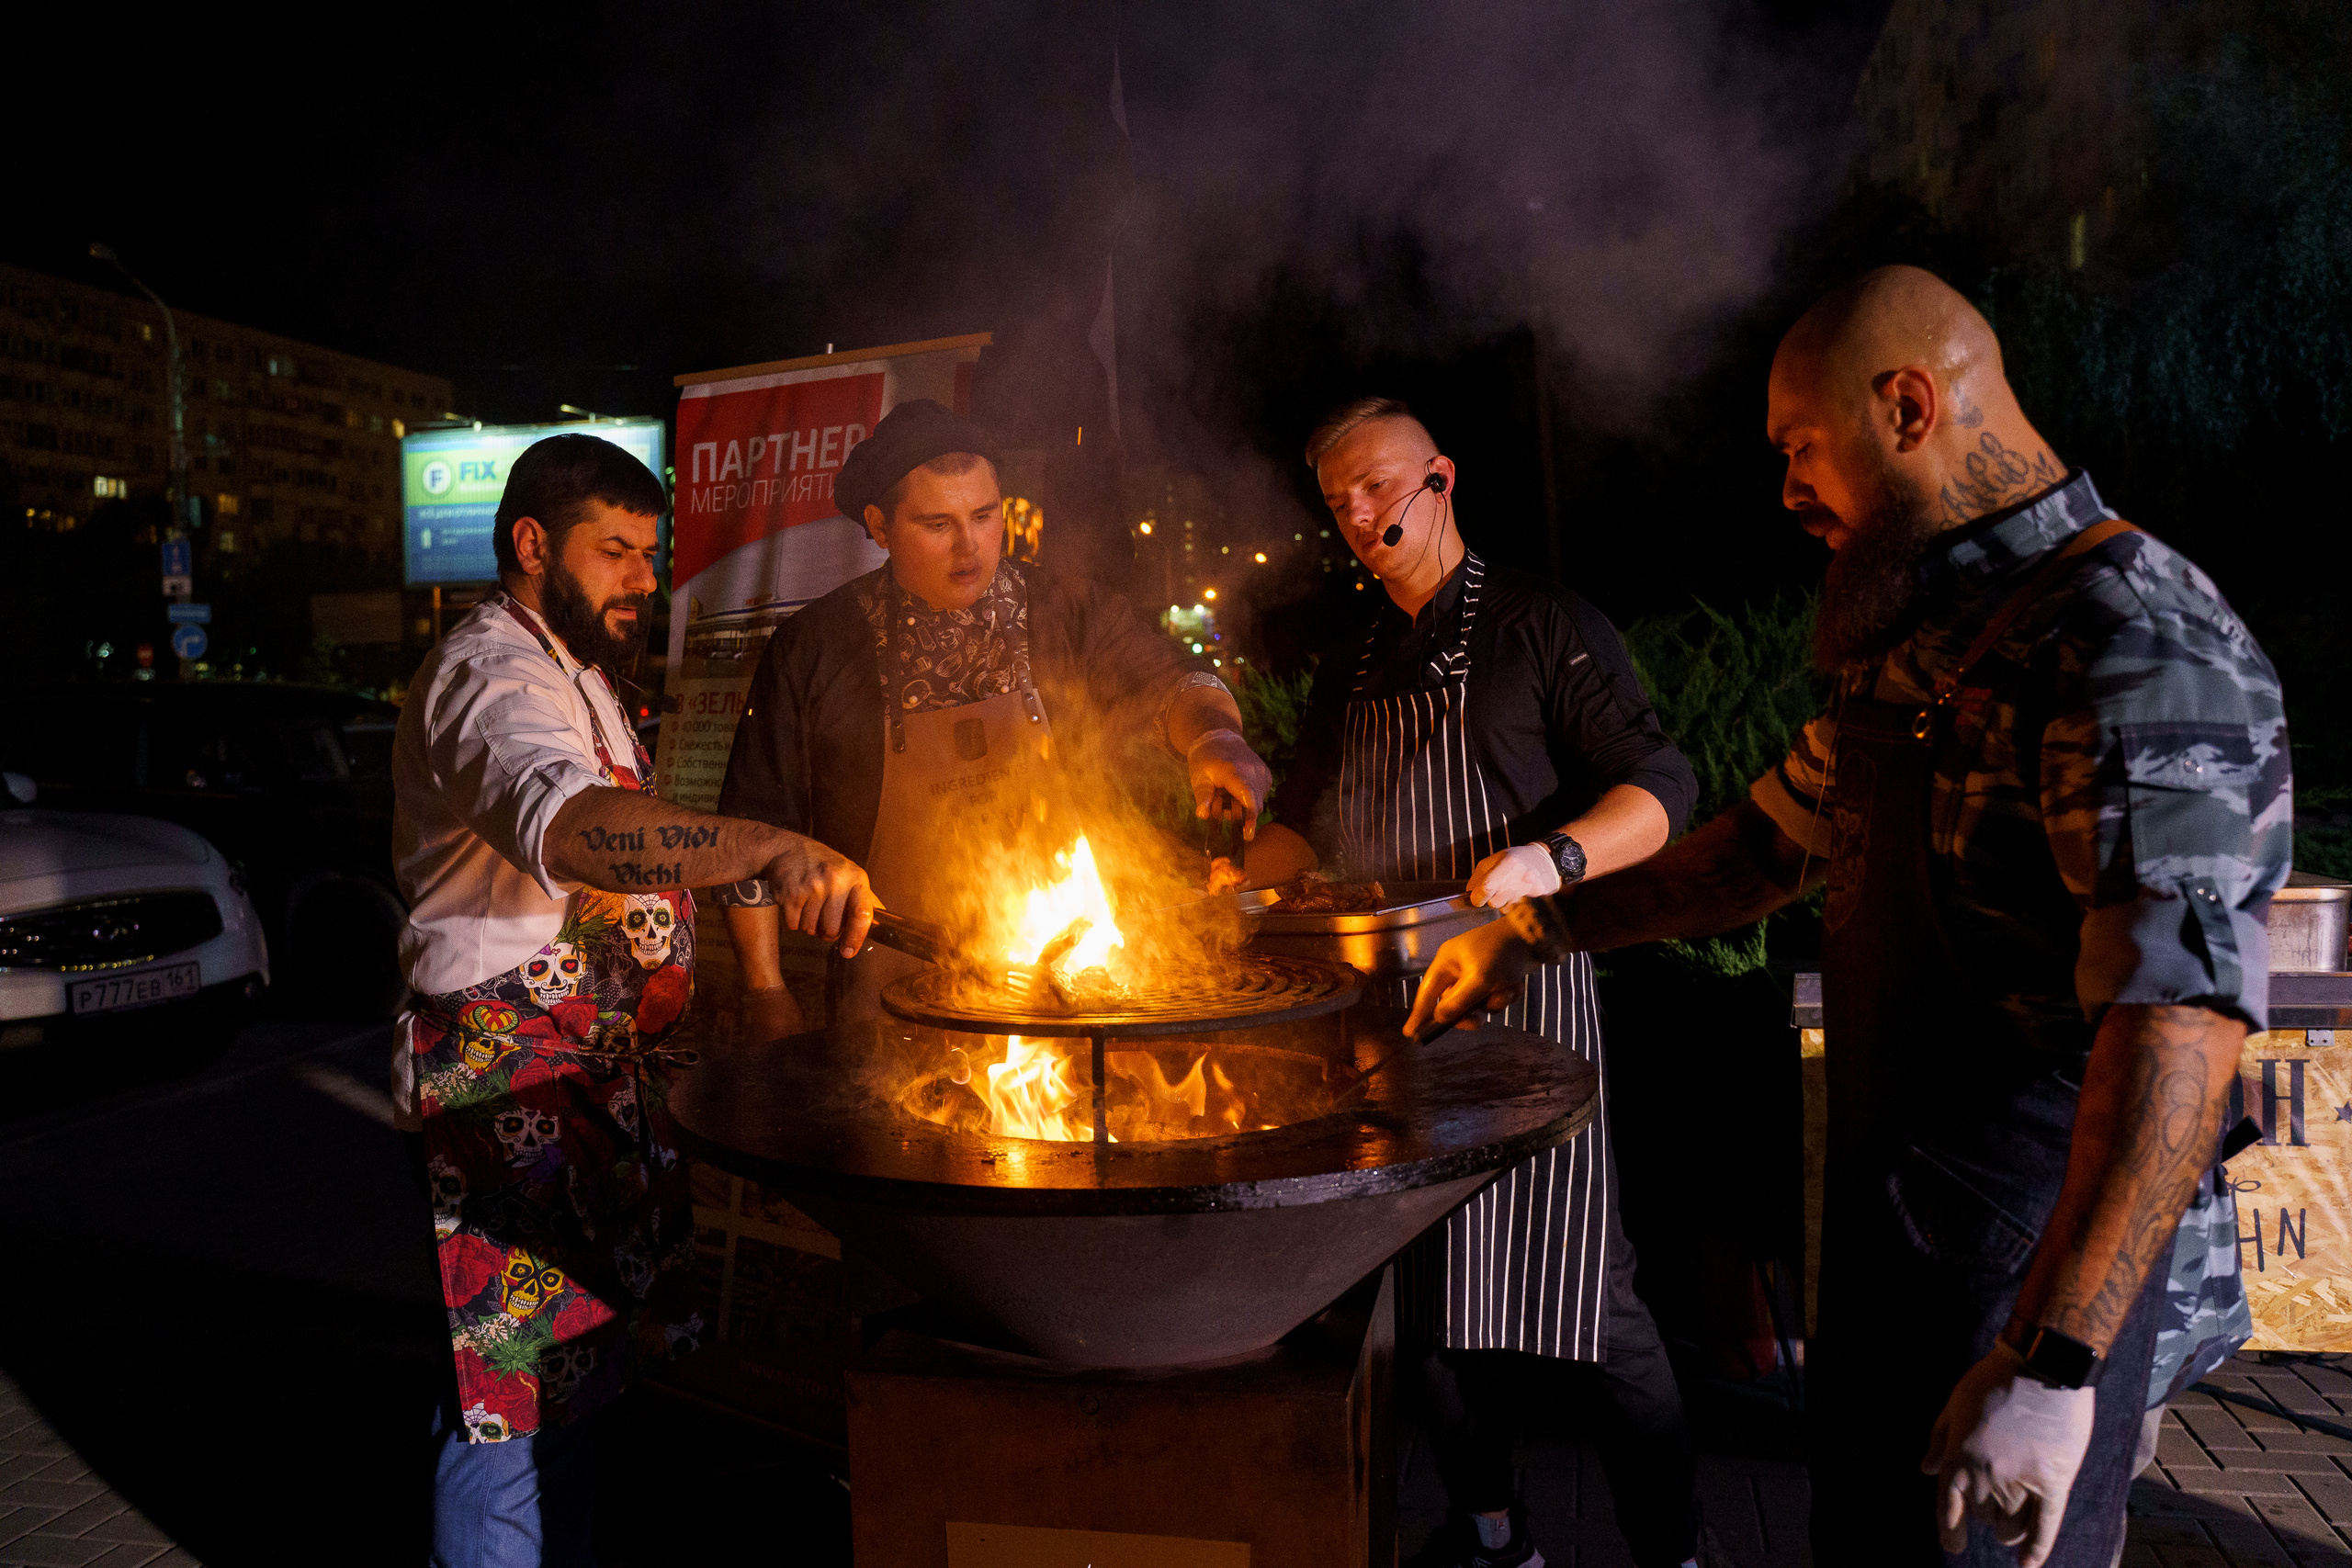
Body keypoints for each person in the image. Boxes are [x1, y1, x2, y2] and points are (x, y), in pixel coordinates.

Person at [1406, 266, 2290, 1568]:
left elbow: (2181, 1032)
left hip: (2025, 1280)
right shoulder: (1938, 635)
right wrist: (1534, 929)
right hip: (1905, 1255)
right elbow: (1762, 848)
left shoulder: (2135, 644)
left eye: (1800, 449)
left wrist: (2054, 1361)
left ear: (1908, 405)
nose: (1787, 492)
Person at [1219, 399, 1707, 1568]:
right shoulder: (1354, 658)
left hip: (1525, 1003)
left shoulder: (1543, 623)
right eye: (1340, 502)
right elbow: (1305, 825)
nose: (1360, 516)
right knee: (1422, 1308)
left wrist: (1559, 855)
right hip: (1384, 1016)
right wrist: (1240, 882)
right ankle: (1494, 1537)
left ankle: (1675, 1551)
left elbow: (1664, 783)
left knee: (1593, 1304)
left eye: (1379, 488)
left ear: (1440, 477)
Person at [392, 434, 878, 1566]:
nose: (645, 581)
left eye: (650, 555)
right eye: (616, 552)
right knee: (504, 1414)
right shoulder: (489, 676)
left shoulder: (582, 676)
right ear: (530, 543)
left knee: (562, 1400)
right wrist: (768, 842)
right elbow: (569, 828)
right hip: (503, 1096)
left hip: (588, 1086)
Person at [716, 398, 1275, 1035]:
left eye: (985, 516)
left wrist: (1214, 735)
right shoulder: (812, 647)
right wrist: (764, 990)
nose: (970, 546)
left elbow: (1173, 681)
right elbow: (754, 827)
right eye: (937, 523)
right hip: (890, 993)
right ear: (879, 524)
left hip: (1061, 993)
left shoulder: (1062, 610)